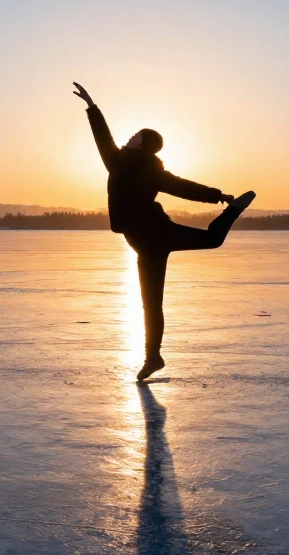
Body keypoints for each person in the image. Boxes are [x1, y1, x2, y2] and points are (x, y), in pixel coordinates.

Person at [73, 82, 255, 381]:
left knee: (212, 240)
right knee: (151, 303)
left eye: (137, 135)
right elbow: (102, 137)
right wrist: (92, 107)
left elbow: (181, 186)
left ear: (144, 144)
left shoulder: (149, 170)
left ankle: (233, 211)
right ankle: (153, 357)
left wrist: (217, 195)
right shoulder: (116, 162)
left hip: (156, 232)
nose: (130, 136)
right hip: (143, 243)